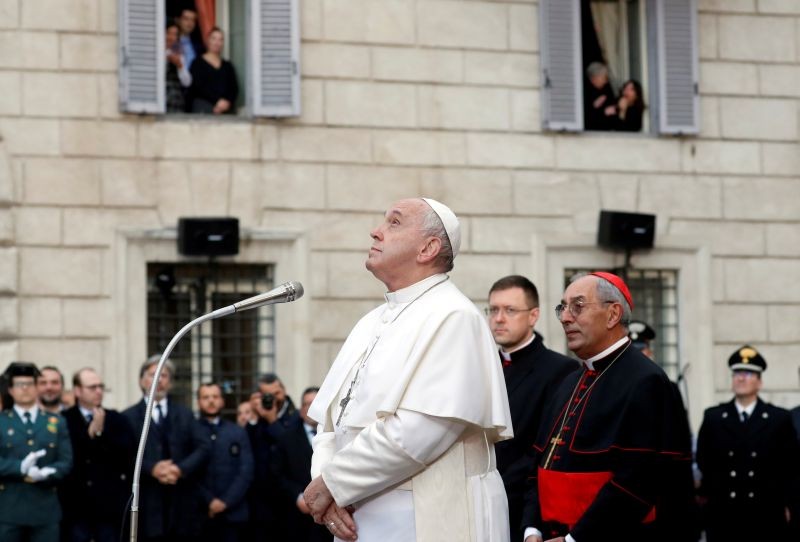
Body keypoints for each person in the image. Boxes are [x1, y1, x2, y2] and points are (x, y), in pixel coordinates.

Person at [304, 197, 512, 542]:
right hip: (356, 516)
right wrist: (325, 485)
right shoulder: (370, 322)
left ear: (428, 248)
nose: (376, 231)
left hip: (426, 521)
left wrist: (333, 483)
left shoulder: (453, 316)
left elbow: (421, 430)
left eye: (394, 223)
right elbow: (331, 424)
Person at [521, 272, 692, 542]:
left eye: (577, 306)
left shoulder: (647, 382)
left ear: (613, 314)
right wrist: (532, 529)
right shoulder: (569, 383)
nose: (565, 317)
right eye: (562, 307)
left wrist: (573, 540)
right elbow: (537, 466)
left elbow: (637, 484)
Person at [486, 275, 576, 541]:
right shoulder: (483, 367)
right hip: (480, 506)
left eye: (510, 310)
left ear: (533, 315)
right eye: (493, 310)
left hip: (524, 514)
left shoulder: (561, 371)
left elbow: (546, 451)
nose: (499, 318)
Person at [695, 346, 800, 542]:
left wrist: (789, 506)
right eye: (736, 373)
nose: (741, 378)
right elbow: (704, 460)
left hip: (765, 517)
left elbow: (790, 467)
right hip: (724, 516)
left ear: (759, 382)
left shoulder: (778, 419)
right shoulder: (714, 418)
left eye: (748, 373)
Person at [122, 356, 210, 542]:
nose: (158, 380)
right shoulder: (127, 417)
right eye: (153, 375)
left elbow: (203, 447)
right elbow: (123, 455)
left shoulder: (185, 414)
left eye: (164, 376)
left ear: (170, 382)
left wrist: (180, 469)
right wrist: (152, 468)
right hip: (146, 503)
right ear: (141, 380)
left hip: (180, 504)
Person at [60, 368, 135, 542]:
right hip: (76, 506)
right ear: (78, 391)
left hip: (107, 507)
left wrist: (100, 434)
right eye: (92, 387)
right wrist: (90, 435)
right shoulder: (64, 419)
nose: (98, 391)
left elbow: (125, 454)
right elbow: (69, 456)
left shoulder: (116, 418)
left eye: (101, 386)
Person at [0, 362, 73, 542]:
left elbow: (66, 461)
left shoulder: (56, 422)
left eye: (30, 384)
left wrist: (48, 473)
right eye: (19, 384)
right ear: (10, 390)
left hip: (45, 510)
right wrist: (20, 468)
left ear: (37, 388)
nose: (25, 389)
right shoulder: (2, 422)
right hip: (9, 510)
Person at [271, 387, 330, 542]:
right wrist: (298, 496)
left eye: (314, 403)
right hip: (297, 518)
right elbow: (277, 474)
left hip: (330, 515)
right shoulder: (286, 437)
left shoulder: (335, 436)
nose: (310, 408)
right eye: (306, 404)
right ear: (301, 409)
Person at [196, 382, 254, 542]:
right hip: (200, 515)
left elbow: (246, 471)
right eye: (206, 397)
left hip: (233, 515)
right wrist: (209, 501)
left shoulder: (237, 432)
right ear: (198, 402)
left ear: (222, 401)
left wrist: (225, 502)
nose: (211, 401)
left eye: (215, 396)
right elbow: (190, 472)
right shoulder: (191, 430)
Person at [244, 373, 297, 540]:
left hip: (288, 498)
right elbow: (247, 447)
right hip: (261, 498)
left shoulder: (295, 417)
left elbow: (290, 449)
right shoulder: (257, 418)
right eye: (268, 395)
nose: (273, 399)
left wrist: (272, 420)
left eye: (276, 393)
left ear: (283, 390)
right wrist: (253, 416)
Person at [188, 27, 239, 114]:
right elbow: (197, 87)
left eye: (220, 40)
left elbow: (234, 88)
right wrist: (217, 101)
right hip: (203, 109)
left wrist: (226, 102)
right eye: (214, 38)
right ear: (208, 41)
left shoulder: (228, 66)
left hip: (225, 111)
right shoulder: (197, 63)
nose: (217, 43)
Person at [165, 21, 192, 113]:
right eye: (169, 33)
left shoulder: (179, 55)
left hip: (175, 101)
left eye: (175, 35)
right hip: (160, 102)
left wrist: (180, 66)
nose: (171, 38)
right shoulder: (156, 53)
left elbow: (187, 82)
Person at [583, 62, 616, 131]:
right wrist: (597, 108)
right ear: (595, 77)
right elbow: (587, 118)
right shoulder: (584, 92)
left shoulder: (604, 90)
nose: (605, 81)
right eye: (604, 77)